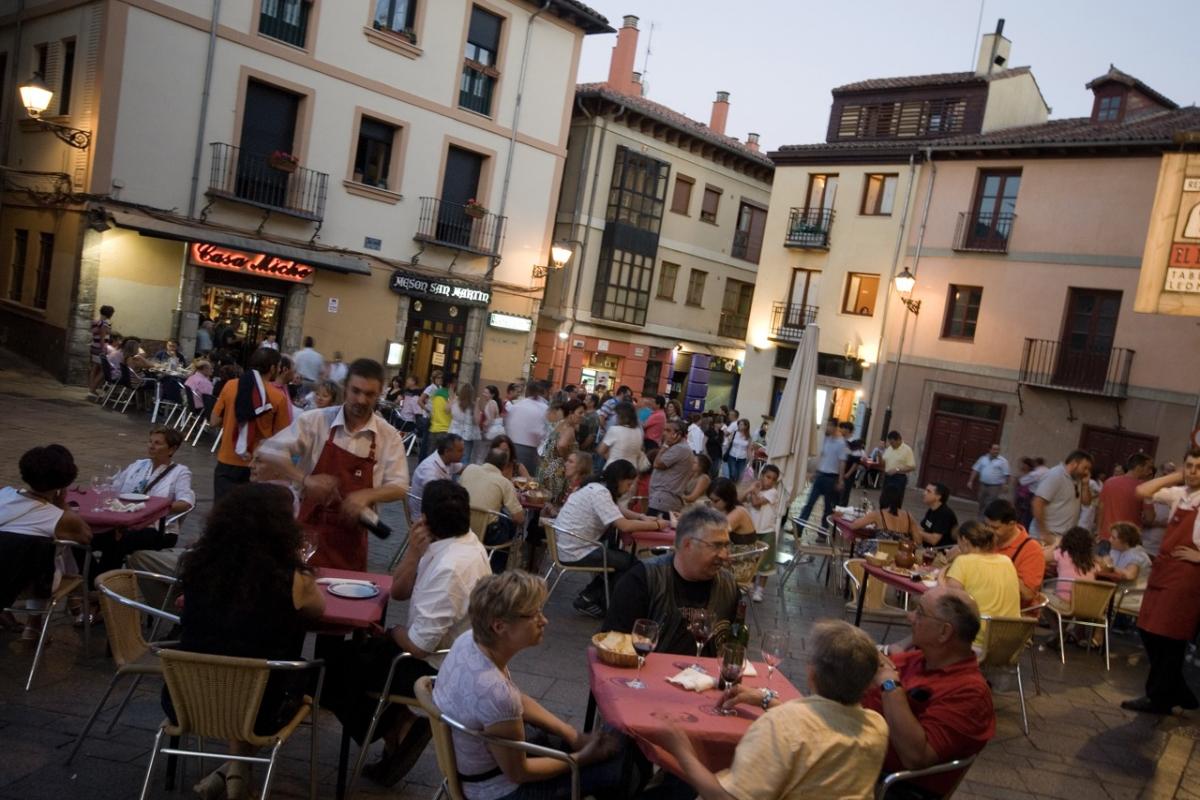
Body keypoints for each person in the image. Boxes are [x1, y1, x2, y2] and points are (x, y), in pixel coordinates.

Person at [325, 480, 491, 786]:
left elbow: (417, 646)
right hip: (439, 649)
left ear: (425, 519)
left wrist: (392, 632)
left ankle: (397, 730)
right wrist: (414, 553)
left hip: (438, 664)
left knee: (335, 669)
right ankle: (397, 726)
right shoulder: (461, 543)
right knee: (353, 658)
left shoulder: (452, 565)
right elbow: (398, 591)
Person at [170, 483, 325, 798]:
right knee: (278, 669)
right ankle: (237, 772)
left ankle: (232, 770)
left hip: (186, 698)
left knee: (239, 657)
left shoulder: (196, 566)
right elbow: (318, 611)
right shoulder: (294, 578)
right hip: (263, 708)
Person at [432, 572, 628, 800]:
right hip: (499, 791)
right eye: (533, 615)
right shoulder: (494, 691)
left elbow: (517, 700)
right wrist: (583, 757)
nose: (544, 620)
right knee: (617, 768)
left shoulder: (469, 641)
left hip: (481, 769)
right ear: (499, 626)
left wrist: (573, 735)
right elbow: (519, 773)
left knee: (614, 739)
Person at [661, 620, 888, 800]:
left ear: (812, 675)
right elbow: (821, 726)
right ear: (868, 684)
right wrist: (765, 699)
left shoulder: (780, 726)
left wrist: (682, 752)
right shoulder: (877, 727)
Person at [256, 358, 410, 571]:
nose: (362, 400)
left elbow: (400, 486)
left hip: (351, 543)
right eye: (356, 391)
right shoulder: (315, 421)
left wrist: (367, 495)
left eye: (369, 394)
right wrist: (305, 479)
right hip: (306, 533)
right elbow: (268, 451)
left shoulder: (388, 436)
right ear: (345, 388)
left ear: (379, 394)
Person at [863, 586, 995, 797]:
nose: (910, 616)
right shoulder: (919, 658)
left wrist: (890, 686)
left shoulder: (970, 693)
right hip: (859, 758)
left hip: (889, 786)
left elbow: (915, 756)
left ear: (944, 632)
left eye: (920, 612)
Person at [603, 506, 739, 655]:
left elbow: (732, 646)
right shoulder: (642, 580)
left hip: (706, 676)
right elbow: (613, 644)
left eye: (727, 546)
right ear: (688, 544)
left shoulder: (729, 586)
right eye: (717, 546)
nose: (725, 555)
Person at [1123, 450, 1200, 714]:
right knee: (1147, 628)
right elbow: (1142, 491)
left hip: (1187, 575)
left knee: (1170, 636)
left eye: (1199, 467)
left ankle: (1159, 697)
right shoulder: (1180, 495)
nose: (1193, 471)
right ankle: (1177, 691)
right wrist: (1178, 475)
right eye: (1189, 466)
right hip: (1164, 569)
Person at [552, 460, 667, 618]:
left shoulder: (595, 487)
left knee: (619, 558)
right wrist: (657, 524)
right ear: (619, 480)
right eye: (628, 484)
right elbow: (624, 525)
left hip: (567, 545)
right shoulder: (600, 492)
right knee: (630, 563)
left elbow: (616, 510)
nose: (628, 489)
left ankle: (594, 598)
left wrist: (641, 516)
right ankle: (594, 600)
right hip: (576, 551)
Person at [0, 445, 92, 639]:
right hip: (30, 584)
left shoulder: (4, 494)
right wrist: (62, 504)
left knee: (53, 547)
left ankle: (34, 624)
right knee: (59, 548)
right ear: (63, 483)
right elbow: (86, 537)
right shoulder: (59, 517)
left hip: (8, 573)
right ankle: (45, 621)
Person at [93, 426, 196, 578]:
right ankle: (93, 582)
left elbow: (186, 503)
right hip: (125, 522)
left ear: (172, 449)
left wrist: (156, 509)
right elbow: (113, 487)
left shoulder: (180, 472)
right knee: (84, 534)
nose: (151, 446)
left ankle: (99, 586)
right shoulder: (138, 465)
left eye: (158, 443)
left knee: (118, 541)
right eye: (150, 441)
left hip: (159, 530)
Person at [210, 347, 290, 501]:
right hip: (257, 466)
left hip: (227, 460)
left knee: (222, 513)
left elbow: (214, 421)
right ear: (272, 368)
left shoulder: (230, 386)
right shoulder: (278, 397)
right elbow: (282, 437)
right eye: (278, 367)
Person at [943, 520, 1021, 648]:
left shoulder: (964, 562)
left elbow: (949, 599)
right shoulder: (1006, 561)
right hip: (1011, 641)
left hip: (976, 639)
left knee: (931, 621)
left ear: (964, 540)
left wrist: (943, 571)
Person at [461, 448, 526, 568]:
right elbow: (519, 518)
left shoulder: (469, 469)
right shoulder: (504, 482)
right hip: (488, 534)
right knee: (510, 523)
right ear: (504, 466)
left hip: (462, 525)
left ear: (486, 459)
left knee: (500, 514)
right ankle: (496, 570)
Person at [983, 498, 1045, 604]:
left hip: (1015, 612)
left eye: (995, 528)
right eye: (986, 526)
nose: (989, 531)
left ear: (1011, 524)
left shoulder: (1032, 550)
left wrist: (1000, 568)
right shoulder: (987, 538)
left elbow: (1027, 594)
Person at [740, 464, 783, 602]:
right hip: (752, 530)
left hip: (766, 531)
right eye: (767, 477)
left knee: (765, 563)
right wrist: (750, 489)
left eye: (773, 479)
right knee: (752, 560)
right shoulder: (756, 489)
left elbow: (756, 503)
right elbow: (740, 499)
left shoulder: (773, 493)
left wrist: (753, 491)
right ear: (761, 475)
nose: (769, 481)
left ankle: (760, 590)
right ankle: (750, 584)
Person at [1031, 449, 1093, 541]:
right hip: (1047, 535)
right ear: (1074, 463)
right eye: (1085, 468)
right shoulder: (1055, 475)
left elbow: (1086, 503)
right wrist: (1044, 532)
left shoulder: (1078, 479)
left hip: (1062, 537)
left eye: (1089, 469)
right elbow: (1038, 503)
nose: (1087, 472)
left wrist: (1085, 485)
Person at [797, 418, 848, 529]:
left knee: (827, 507)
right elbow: (822, 457)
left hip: (831, 477)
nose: (827, 428)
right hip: (821, 475)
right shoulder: (826, 439)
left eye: (829, 425)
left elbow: (842, 462)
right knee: (809, 503)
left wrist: (840, 480)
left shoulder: (841, 443)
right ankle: (799, 528)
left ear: (835, 427)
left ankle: (823, 531)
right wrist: (815, 472)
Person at [1097, 453, 1156, 542]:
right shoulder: (1144, 489)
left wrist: (1099, 531)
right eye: (1148, 468)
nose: (1151, 471)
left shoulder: (1109, 482)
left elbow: (1101, 508)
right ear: (1139, 467)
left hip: (1107, 536)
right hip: (1128, 540)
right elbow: (1150, 518)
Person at [408, 434, 465, 520]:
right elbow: (436, 499)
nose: (463, 454)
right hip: (425, 518)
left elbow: (465, 469)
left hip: (437, 510)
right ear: (447, 451)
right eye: (460, 451)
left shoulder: (447, 461)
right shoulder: (430, 470)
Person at [1103, 521, 1152, 620]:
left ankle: (1098, 634)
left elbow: (1130, 575)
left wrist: (1110, 566)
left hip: (1131, 594)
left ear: (1125, 541)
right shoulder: (1116, 550)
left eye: (1114, 538)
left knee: (1096, 598)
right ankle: (1080, 630)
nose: (1110, 539)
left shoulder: (1136, 554)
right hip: (1117, 590)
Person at [538, 399, 582, 505]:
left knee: (542, 502)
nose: (582, 416)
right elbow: (561, 445)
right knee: (552, 504)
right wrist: (568, 458)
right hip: (558, 471)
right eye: (580, 412)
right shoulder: (569, 429)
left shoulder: (560, 424)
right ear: (571, 413)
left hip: (547, 467)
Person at [844, 484, 919, 546]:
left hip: (881, 553)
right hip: (901, 554)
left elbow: (854, 526)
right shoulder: (909, 516)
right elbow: (918, 540)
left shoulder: (878, 514)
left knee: (859, 544)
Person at [647, 420, 692, 518]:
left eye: (668, 430)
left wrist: (665, 445)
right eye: (664, 430)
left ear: (678, 434)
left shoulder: (680, 448)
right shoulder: (678, 447)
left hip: (664, 500)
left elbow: (657, 464)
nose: (664, 433)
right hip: (662, 499)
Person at [505, 380, 550, 477]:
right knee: (527, 480)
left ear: (526, 392)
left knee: (512, 477)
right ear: (539, 393)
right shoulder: (543, 408)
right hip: (530, 451)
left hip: (512, 447)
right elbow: (542, 432)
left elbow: (507, 426)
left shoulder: (517, 406)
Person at [596, 401, 644, 470]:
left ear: (621, 416)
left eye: (617, 415)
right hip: (631, 470)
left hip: (614, 469)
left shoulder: (614, 430)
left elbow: (601, 450)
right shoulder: (638, 431)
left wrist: (612, 457)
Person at [967, 444, 1010, 516]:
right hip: (983, 484)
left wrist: (1006, 484)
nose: (996, 451)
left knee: (990, 503)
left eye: (998, 449)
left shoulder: (1003, 461)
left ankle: (987, 518)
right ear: (989, 449)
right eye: (994, 449)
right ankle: (980, 516)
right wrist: (970, 481)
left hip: (994, 486)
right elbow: (975, 470)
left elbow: (1006, 474)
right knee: (981, 500)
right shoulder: (983, 459)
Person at [917, 482, 959, 547]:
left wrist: (914, 531)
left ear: (938, 497)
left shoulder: (945, 514)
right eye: (925, 490)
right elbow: (922, 528)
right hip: (928, 550)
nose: (924, 493)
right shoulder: (932, 509)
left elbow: (934, 540)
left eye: (928, 491)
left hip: (940, 553)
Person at [449, 382, 482, 464]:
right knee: (465, 458)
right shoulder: (473, 406)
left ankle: (452, 475)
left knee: (452, 457)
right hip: (467, 435)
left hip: (454, 433)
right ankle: (461, 476)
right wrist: (477, 403)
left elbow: (447, 409)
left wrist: (452, 397)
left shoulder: (456, 402)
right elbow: (477, 421)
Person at [880, 430, 917, 499]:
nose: (891, 445)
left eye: (893, 443)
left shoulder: (907, 450)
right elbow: (883, 462)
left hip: (898, 478)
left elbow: (912, 467)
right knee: (884, 499)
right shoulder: (889, 448)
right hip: (887, 478)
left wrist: (897, 470)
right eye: (890, 443)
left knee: (895, 500)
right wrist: (879, 457)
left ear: (899, 440)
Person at [88, 304, 115, 396]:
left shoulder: (96, 321)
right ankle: (93, 388)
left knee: (94, 367)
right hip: (100, 347)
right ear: (110, 314)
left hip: (94, 345)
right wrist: (103, 349)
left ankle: (91, 388)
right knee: (104, 370)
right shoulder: (105, 323)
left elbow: (95, 333)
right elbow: (103, 337)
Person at [723, 418, 752, 482]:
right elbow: (726, 436)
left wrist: (750, 460)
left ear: (746, 426)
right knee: (733, 473)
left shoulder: (748, 437)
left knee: (739, 476)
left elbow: (749, 449)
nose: (739, 426)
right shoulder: (734, 433)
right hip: (732, 455)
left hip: (742, 458)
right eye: (739, 424)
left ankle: (734, 487)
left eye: (741, 424)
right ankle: (731, 486)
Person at [1014, 457, 1039, 528]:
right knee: (1018, 514)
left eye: (1024, 465)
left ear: (1028, 466)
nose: (1023, 466)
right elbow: (1017, 484)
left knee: (1024, 516)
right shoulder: (1022, 474)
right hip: (1020, 496)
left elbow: (1021, 483)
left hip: (1026, 498)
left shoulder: (1032, 475)